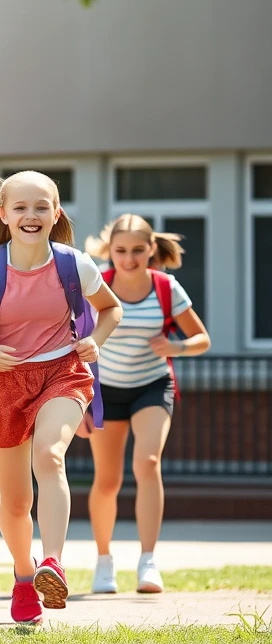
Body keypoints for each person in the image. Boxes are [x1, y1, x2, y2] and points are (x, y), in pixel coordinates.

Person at [0, 171, 122, 624]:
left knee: (49, 456)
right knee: (13, 502)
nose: (32, 215)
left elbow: (110, 309)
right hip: (2, 381)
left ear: (56, 212)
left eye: (42, 206)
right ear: (4, 214)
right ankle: (25, 575)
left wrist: (96, 341)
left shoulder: (74, 264)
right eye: (22, 207)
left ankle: (53, 562)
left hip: (62, 372)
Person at [84, 214, 210, 594]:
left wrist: (178, 347)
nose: (129, 258)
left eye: (138, 250)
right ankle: (104, 563)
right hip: (106, 390)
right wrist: (82, 400)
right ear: (110, 252)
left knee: (148, 462)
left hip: (152, 385)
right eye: (121, 250)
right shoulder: (98, 287)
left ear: (151, 249)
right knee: (107, 480)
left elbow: (201, 338)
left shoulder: (166, 288)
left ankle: (148, 561)